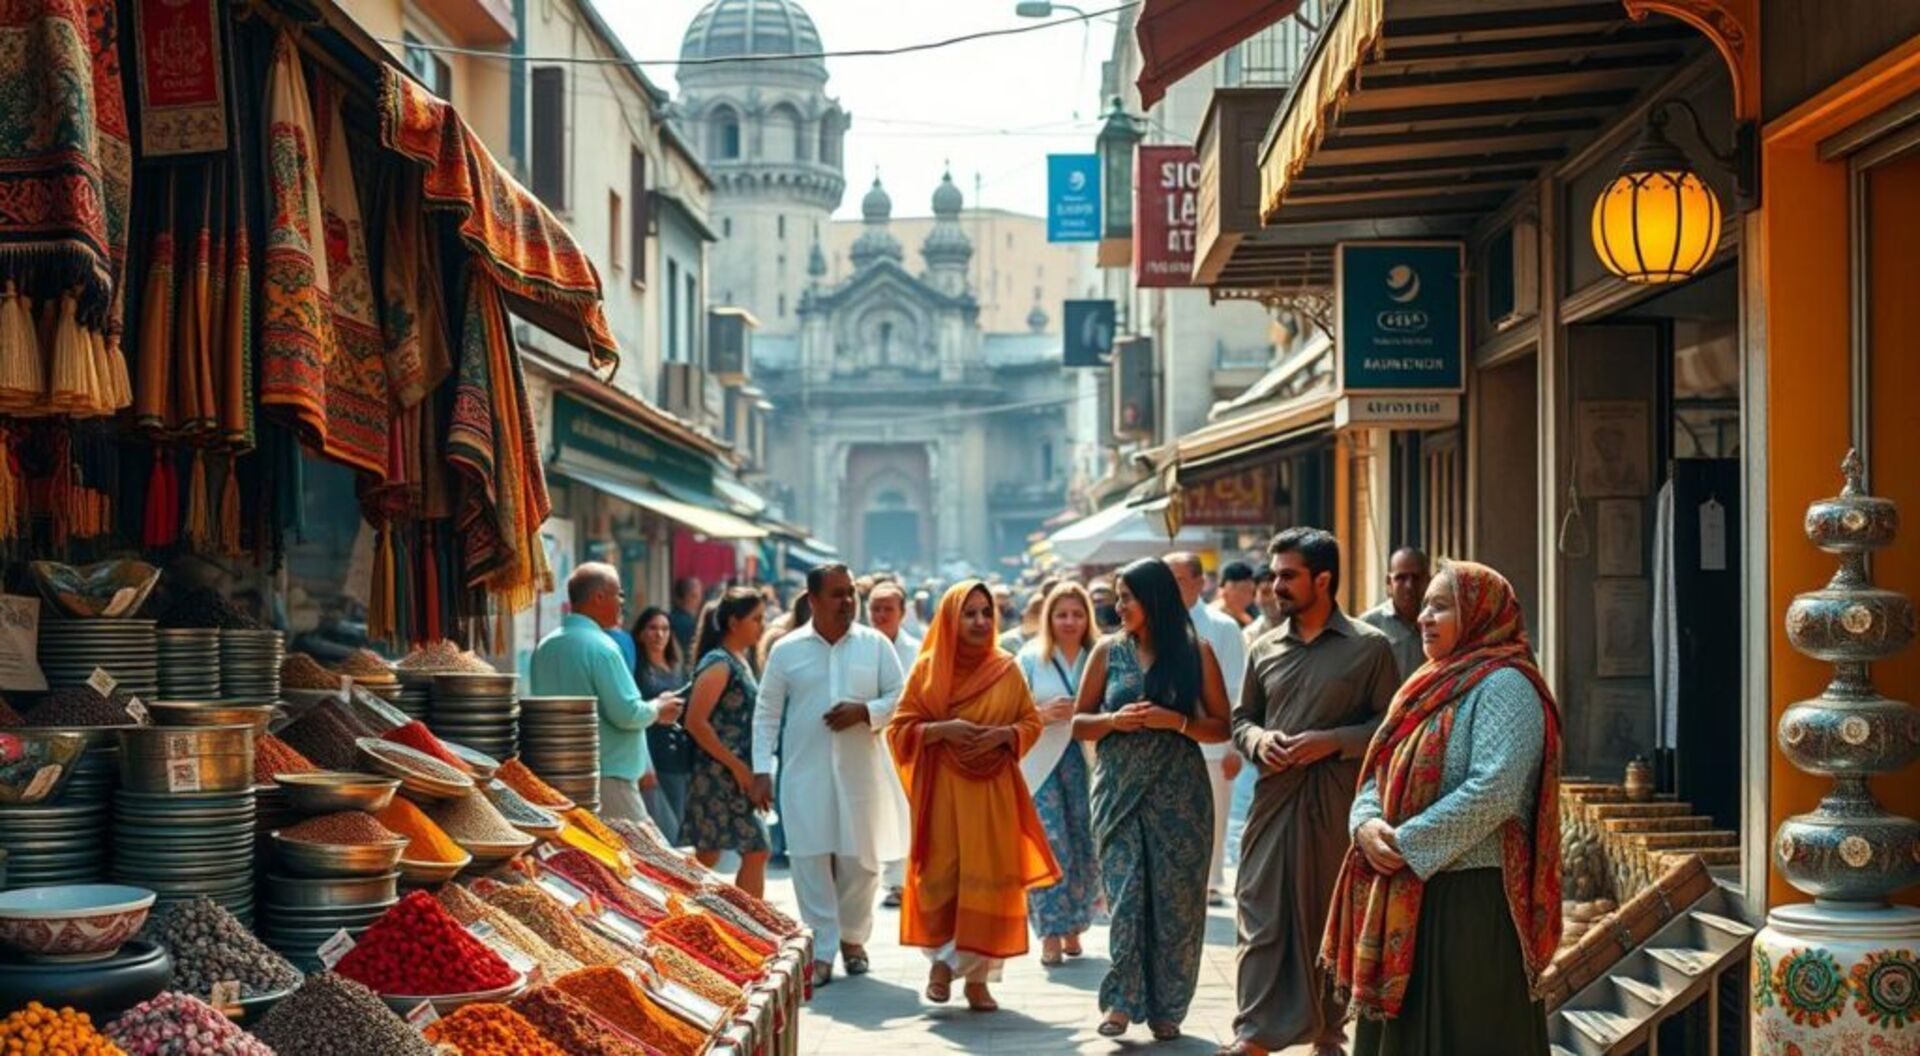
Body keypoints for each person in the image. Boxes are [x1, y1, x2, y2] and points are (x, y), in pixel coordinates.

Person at [1324, 561, 1562, 1055]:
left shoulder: (1507, 686)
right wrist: (1365, 823)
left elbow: (1495, 789)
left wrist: (1405, 844)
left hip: (1470, 905)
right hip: (1407, 893)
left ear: (1480, 612)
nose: (1425, 618)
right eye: (1425, 606)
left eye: (1442, 605)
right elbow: (1378, 766)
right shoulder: (1424, 684)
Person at [1224, 528, 1399, 1056]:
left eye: (1287, 575)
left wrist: (1331, 742)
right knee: (1259, 912)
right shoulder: (1264, 646)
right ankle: (1253, 1031)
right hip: (1273, 802)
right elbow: (1241, 719)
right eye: (1273, 575)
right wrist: (1259, 741)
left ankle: (1328, 1031)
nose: (1274, 585)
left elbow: (1391, 729)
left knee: (1329, 916)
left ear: (1323, 579)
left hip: (1335, 803)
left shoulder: (1369, 648)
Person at [1072, 558, 1232, 1041]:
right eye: (1116, 597)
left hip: (1180, 798)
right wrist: (1113, 722)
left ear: (1155, 600)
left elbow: (1221, 725)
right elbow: (1079, 722)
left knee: (1175, 905)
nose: (1117, 606)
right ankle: (1121, 1001)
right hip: (1119, 793)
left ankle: (1168, 1007)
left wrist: (1177, 721)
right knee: (1125, 898)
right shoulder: (1106, 652)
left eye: (1127, 598)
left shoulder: (1195, 652)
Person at [886, 581, 1060, 1013]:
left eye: (986, 613)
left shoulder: (1007, 668)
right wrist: (942, 730)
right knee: (942, 873)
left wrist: (1004, 735)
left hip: (993, 793)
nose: (981, 621)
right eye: (970, 614)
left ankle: (977, 981)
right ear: (950, 618)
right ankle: (942, 964)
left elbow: (1030, 723)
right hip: (943, 790)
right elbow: (899, 730)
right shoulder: (928, 669)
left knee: (991, 878)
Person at [753, 565, 909, 986]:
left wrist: (866, 712)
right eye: (837, 594)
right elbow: (766, 713)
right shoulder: (787, 650)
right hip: (805, 773)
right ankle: (821, 951)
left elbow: (902, 696)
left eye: (850, 595)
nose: (847, 603)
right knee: (809, 859)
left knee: (863, 862)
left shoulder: (875, 645)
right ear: (814, 599)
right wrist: (760, 769)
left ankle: (853, 940)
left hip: (863, 773)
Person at [531, 564, 682, 827]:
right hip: (608, 776)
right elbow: (627, 713)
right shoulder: (602, 647)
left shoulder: (546, 646)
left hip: (556, 772)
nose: (622, 603)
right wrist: (659, 706)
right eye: (619, 594)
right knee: (640, 858)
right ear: (599, 597)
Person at [1016, 582, 1099, 966]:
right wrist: (1042, 714)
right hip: (1040, 762)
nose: (1069, 622)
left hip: (1086, 759)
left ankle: (1074, 924)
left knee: (1084, 842)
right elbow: (1010, 712)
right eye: (1062, 614)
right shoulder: (1031, 657)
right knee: (1049, 843)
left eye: (1077, 614)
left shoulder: (1100, 655)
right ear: (1048, 618)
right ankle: (1049, 930)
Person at [1166, 551, 1248, 909]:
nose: (1171, 587)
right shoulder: (1153, 624)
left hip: (1213, 741)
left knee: (1213, 813)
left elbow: (1237, 689)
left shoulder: (1223, 627)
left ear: (1201, 583)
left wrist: (1234, 746)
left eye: (1180, 579)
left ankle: (1211, 882)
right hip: (1166, 741)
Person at [683, 588, 773, 896]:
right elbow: (695, 722)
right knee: (750, 848)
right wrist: (737, 767)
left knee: (713, 853)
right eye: (756, 619)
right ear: (734, 623)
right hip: (717, 774)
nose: (762, 625)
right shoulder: (719, 663)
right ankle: (745, 924)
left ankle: (698, 911)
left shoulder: (742, 660)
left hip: (735, 775)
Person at [868, 580, 921, 910]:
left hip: (909, 742)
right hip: (868, 740)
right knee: (877, 811)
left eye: (888, 609)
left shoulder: (918, 650)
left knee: (906, 809)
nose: (881, 615)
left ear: (902, 613)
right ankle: (889, 879)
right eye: (875, 608)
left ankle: (904, 879)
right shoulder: (858, 646)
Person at [633, 607, 691, 844]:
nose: (659, 635)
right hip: (651, 751)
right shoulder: (637, 669)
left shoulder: (677, 667)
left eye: (665, 629)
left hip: (679, 752)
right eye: (653, 628)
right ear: (641, 633)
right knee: (660, 825)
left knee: (677, 818)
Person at [1359, 547, 1432, 683]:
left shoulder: (1439, 622)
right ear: (1388, 582)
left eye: (1416, 578)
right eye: (1401, 578)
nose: (1409, 586)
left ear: (1428, 580)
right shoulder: (1368, 625)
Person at [1244, 567, 1283, 645]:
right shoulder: (1250, 636)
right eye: (1266, 592)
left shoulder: (1303, 629)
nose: (1274, 598)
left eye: (1279, 592)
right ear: (1254, 598)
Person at [1214, 560, 1258, 628]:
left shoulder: (1251, 611)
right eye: (1244, 590)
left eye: (1252, 592)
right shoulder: (1214, 615)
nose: (1250, 598)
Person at [669, 576, 704, 657]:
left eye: (700, 595)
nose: (699, 600)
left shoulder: (670, 618)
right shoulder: (688, 624)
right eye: (694, 596)